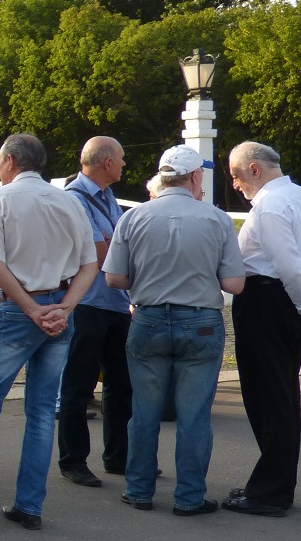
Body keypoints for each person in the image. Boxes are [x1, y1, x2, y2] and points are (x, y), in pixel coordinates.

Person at [0, 133, 98, 532]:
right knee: (42, 412)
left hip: (20, 310)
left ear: (10, 160)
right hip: (60, 308)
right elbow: (91, 264)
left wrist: (32, 308)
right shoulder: (70, 200)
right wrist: (63, 309)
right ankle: (29, 506)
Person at [104, 145, 245, 516]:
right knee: (194, 415)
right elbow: (234, 284)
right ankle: (189, 496)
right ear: (196, 176)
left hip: (148, 318)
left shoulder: (133, 217)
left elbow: (115, 277)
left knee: (144, 412)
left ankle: (138, 490)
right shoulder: (216, 219)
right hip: (199, 321)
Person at [221, 141, 301, 517]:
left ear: (254, 169)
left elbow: (289, 265)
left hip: (266, 302)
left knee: (268, 398)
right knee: (281, 395)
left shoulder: (269, 206)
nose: (235, 185)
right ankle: (274, 483)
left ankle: (270, 490)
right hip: (284, 302)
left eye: (236, 176)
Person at [57, 136, 133, 487]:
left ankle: (119, 457)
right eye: (119, 159)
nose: (123, 165)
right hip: (87, 303)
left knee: (121, 384)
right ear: (105, 163)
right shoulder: (76, 197)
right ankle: (73, 460)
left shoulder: (105, 197)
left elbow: (117, 245)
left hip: (113, 302)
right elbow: (102, 252)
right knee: (79, 383)